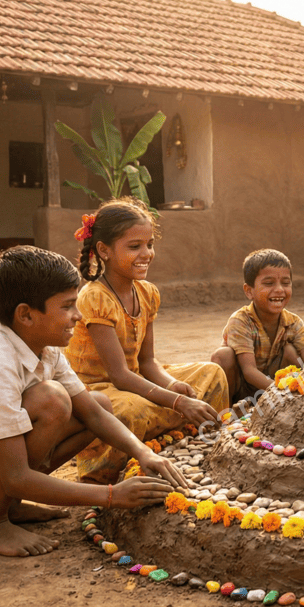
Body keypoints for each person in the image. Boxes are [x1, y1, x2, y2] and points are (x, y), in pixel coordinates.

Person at [0, 246, 185, 557]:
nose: (78, 316)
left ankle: (5, 506)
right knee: (51, 400)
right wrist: (112, 495)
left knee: (100, 404)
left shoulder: (45, 349)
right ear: (26, 314)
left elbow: (93, 414)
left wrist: (143, 453)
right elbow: (16, 476)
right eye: (67, 306)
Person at [65, 199, 228, 485]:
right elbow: (119, 375)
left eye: (149, 244)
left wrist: (172, 385)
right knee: (131, 411)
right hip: (99, 390)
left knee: (212, 373)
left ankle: (184, 440)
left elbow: (147, 362)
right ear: (103, 250)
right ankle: (105, 470)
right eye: (134, 246)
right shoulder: (94, 298)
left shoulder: (147, 292)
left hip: (135, 379)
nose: (146, 254)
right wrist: (178, 402)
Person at [211, 249, 304, 406]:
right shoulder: (241, 320)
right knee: (223, 355)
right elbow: (249, 371)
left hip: (274, 387)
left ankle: (292, 404)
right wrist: (281, 391)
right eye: (269, 283)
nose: (279, 289)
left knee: (290, 351)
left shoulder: (293, 322)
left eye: (285, 283)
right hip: (242, 390)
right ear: (249, 291)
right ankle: (226, 410)